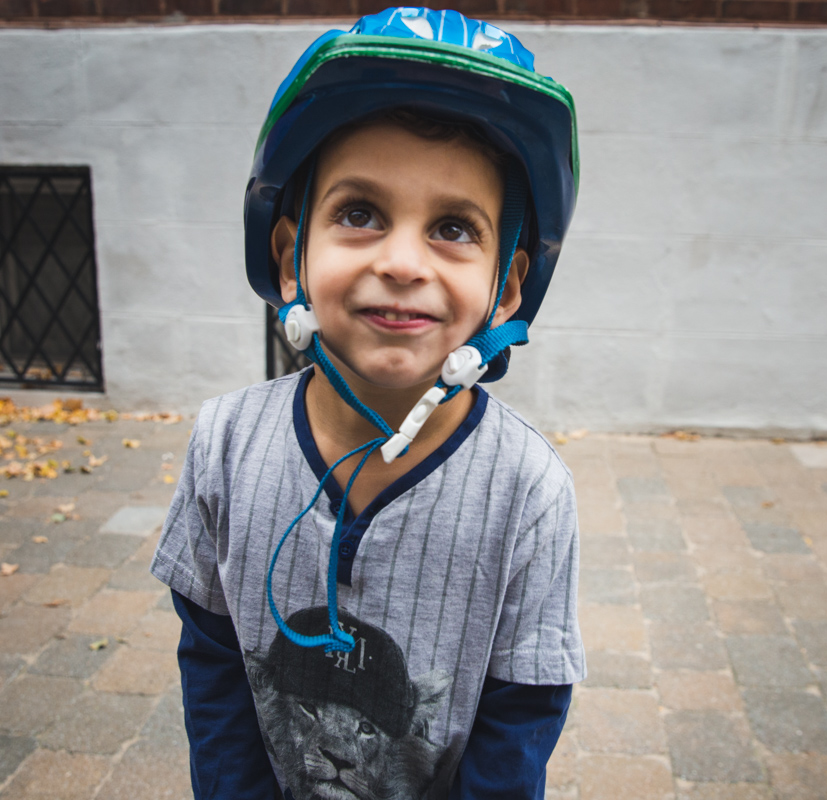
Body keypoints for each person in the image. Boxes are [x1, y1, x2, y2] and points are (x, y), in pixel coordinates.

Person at [150, 9, 585, 799]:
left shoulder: (530, 491)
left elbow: (520, 721)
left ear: (508, 288)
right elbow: (213, 664)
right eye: (359, 214)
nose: (401, 260)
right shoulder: (223, 443)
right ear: (290, 259)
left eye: (453, 227)